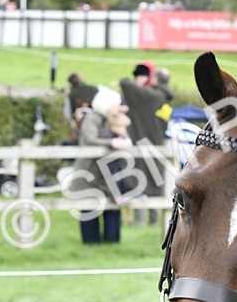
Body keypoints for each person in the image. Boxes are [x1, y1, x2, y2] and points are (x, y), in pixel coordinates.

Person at [67, 88, 132, 244]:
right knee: (89, 207)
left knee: (111, 206)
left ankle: (111, 241)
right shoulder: (92, 118)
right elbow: (90, 139)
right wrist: (112, 143)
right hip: (89, 172)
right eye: (115, 105)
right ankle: (91, 242)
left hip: (105, 172)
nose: (118, 108)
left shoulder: (109, 118)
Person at [119, 63, 172, 225]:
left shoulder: (150, 95)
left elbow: (124, 82)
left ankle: (140, 222)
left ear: (154, 79)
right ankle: (154, 222)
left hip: (141, 143)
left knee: (139, 182)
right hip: (158, 144)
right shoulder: (166, 97)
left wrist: (139, 83)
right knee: (156, 183)